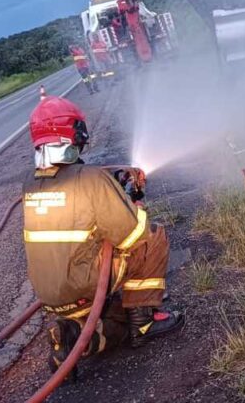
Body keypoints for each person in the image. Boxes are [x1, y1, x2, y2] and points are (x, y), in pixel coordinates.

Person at [22, 95, 182, 372]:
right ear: (75, 134)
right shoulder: (92, 181)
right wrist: (131, 199)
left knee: (115, 318)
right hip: (83, 285)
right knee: (153, 236)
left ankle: (74, 334)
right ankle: (143, 322)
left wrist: (113, 190)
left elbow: (73, 206)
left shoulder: (30, 183)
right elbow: (133, 235)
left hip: (51, 295)